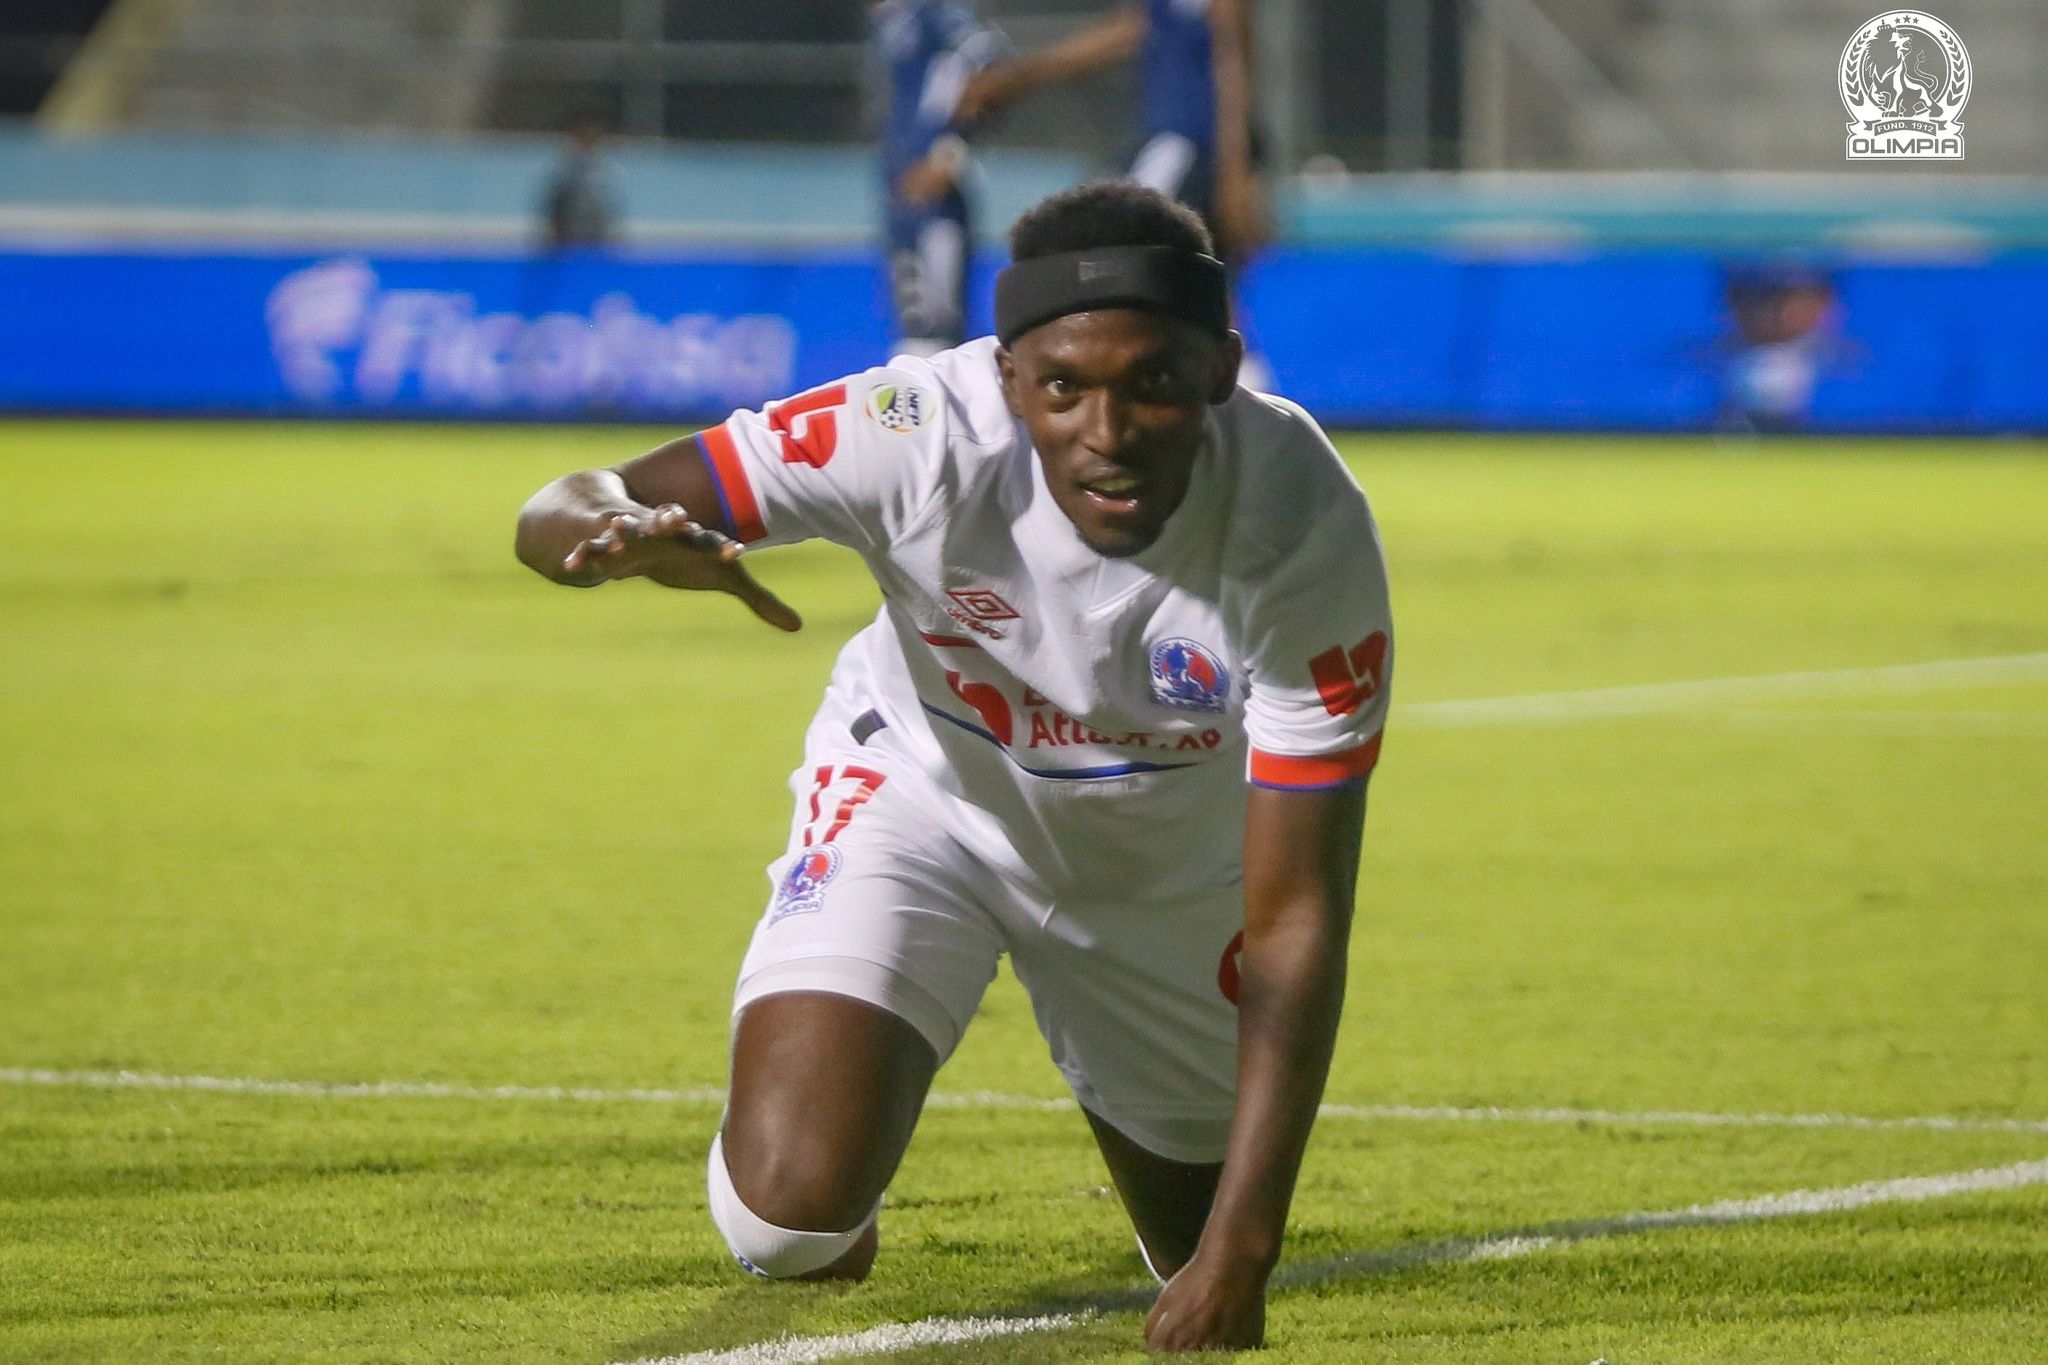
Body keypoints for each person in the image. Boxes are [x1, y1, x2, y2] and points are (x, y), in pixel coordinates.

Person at [514, 182, 1390, 1352]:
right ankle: (839, 1169)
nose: (1107, 431)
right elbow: (569, 498)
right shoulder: (909, 430)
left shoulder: (1299, 525)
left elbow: (1296, 918)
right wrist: (608, 538)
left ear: (1222, 369)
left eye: (1153, 383)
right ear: (1006, 377)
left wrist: (1243, 1250)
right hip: (925, 803)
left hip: (1163, 874)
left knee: (1192, 1248)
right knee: (787, 1220)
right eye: (1063, 387)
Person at [959, 0, 1270, 267]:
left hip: (1190, 148)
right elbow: (1126, 32)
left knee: (1114, 240)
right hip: (1173, 148)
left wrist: (1235, 170)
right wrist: (1018, 77)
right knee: (1199, 281)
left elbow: (1232, 60)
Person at [870, 0, 1011, 356]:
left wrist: (948, 150)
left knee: (934, 323)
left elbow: (992, 63)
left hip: (932, 194)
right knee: (913, 316)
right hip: (902, 182)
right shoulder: (897, 16)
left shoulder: (934, 12)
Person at [540, 115, 618, 253]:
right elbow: (556, 198)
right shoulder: (565, 165)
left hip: (595, 230)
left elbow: (608, 201)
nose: (589, 140)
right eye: (585, 135)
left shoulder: (604, 165)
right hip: (569, 230)